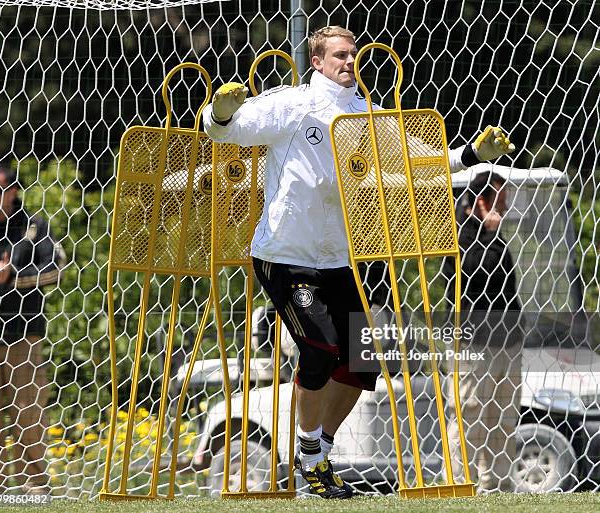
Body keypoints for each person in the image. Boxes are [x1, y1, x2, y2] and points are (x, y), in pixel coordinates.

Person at [203, 26, 515, 498]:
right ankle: (309, 457)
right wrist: (219, 110)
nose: (350, 62)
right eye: (340, 55)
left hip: (337, 260)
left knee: (360, 362)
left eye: (354, 55)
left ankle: (320, 455)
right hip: (285, 255)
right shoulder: (291, 103)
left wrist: (472, 154)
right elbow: (228, 128)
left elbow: (416, 159)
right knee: (320, 349)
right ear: (317, 61)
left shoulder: (365, 115)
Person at [443, 171, 524, 493]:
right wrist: (489, 233)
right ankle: (461, 481)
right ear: (480, 202)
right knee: (470, 414)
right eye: (500, 201)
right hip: (472, 342)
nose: (504, 209)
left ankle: (499, 483)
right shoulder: (460, 238)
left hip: (507, 340)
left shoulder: (496, 237)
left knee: (504, 416)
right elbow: (472, 277)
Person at [0, 166, 65, 494]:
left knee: (28, 415)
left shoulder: (35, 228)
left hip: (24, 334)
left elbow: (58, 267)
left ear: (13, 192)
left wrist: (12, 275)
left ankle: (36, 489)